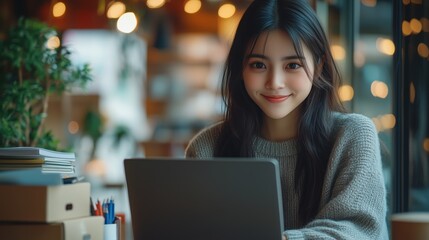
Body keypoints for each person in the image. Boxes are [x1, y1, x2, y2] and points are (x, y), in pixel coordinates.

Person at [185, 0, 388, 239]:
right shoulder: (207, 148)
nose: (275, 82)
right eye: (258, 65)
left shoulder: (353, 135)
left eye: (292, 65)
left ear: (319, 65)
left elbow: (359, 230)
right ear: (241, 68)